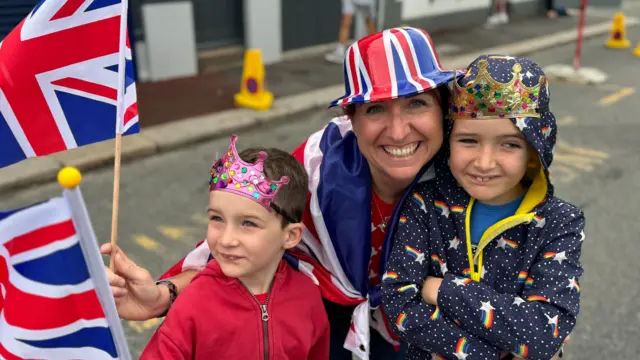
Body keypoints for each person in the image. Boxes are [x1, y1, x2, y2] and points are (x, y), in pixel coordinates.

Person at [101, 27, 461, 360]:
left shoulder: (472, 170)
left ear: (444, 107)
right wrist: (162, 296)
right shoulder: (319, 168)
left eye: (417, 103)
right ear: (351, 119)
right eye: (376, 109)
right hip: (327, 325)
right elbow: (237, 244)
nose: (398, 131)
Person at [381, 55, 584, 359]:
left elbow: (543, 334)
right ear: (448, 140)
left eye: (509, 144)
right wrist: (495, 352)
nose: (485, 162)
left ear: (533, 150)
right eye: (469, 140)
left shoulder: (559, 222)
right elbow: (400, 303)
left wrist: (441, 290)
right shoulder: (425, 205)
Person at [136, 137, 330, 359]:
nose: (227, 240)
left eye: (248, 223)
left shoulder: (307, 298)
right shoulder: (193, 303)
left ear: (290, 236)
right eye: (217, 218)